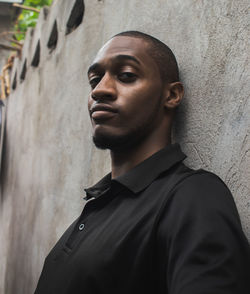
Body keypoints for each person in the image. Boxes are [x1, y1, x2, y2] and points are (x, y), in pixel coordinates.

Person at [34, 31, 250, 294]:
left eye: (126, 76)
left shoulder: (192, 197)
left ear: (171, 95)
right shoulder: (101, 203)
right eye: (94, 80)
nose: (100, 90)